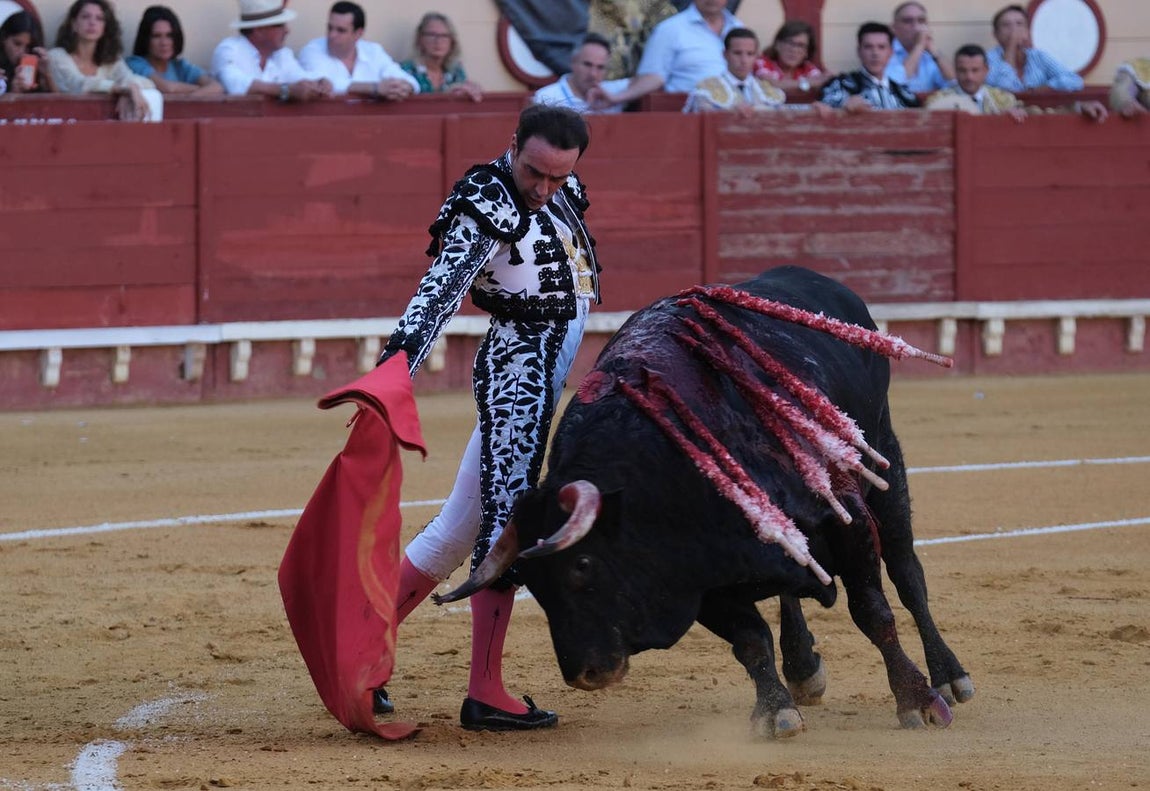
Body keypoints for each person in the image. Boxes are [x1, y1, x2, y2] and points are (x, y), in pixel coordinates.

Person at [374, 104, 598, 731]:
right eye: (535, 173)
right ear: (514, 146)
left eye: (559, 177)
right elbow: (439, 290)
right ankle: (485, 690)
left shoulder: (565, 188)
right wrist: (395, 368)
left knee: (457, 526)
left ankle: (358, 650)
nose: (545, 189)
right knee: (507, 526)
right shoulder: (486, 198)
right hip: (519, 373)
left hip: (547, 373)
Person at [588, 0, 743, 110]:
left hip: (741, 115)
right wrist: (617, 98)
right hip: (686, 117)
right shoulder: (670, 29)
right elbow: (653, 77)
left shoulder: (738, 27)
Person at [926, 44, 1106, 122]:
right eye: (963, 71)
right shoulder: (940, 99)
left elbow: (1038, 113)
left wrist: (1077, 107)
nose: (969, 77)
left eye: (975, 71)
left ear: (986, 71)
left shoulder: (1002, 99)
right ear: (955, 72)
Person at [43, 0, 154, 121]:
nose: (92, 23)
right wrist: (121, 89)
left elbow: (141, 82)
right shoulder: (57, 56)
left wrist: (130, 89)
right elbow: (78, 84)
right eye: (85, 17)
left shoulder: (111, 60)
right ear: (74, 24)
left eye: (99, 18)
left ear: (105, 27)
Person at [211, 0, 332, 101]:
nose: (287, 31)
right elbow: (234, 83)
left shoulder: (282, 54)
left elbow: (299, 77)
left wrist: (319, 82)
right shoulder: (229, 50)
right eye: (280, 25)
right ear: (259, 30)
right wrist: (285, 90)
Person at [298, 1, 418, 100]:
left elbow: (409, 80)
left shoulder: (373, 51)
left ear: (358, 34)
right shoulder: (312, 50)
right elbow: (322, 85)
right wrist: (374, 88)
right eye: (330, 28)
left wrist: (404, 87)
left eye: (341, 30)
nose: (331, 35)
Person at [817, 22, 920, 113]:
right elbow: (825, 105)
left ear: (891, 52)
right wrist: (844, 105)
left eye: (881, 47)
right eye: (868, 47)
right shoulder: (843, 84)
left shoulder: (903, 92)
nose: (875, 53)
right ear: (859, 51)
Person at [685, 27, 785, 115]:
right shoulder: (706, 89)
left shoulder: (769, 90)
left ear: (756, 56)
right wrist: (729, 113)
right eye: (737, 53)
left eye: (750, 54)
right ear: (725, 54)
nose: (744, 60)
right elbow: (705, 117)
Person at [985, 4, 1083, 92]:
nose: (1014, 30)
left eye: (1019, 24)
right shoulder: (987, 59)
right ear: (995, 34)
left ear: (1027, 32)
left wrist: (1043, 89)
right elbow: (1004, 90)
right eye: (1006, 25)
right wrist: (1011, 48)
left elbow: (1074, 80)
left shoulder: (1038, 56)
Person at [127, 6, 222, 96]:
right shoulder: (135, 63)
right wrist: (202, 90)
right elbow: (168, 88)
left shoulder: (180, 66)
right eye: (156, 36)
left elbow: (217, 87)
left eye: (169, 36)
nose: (164, 43)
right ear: (146, 39)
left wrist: (189, 98)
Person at [533, 32, 629, 114]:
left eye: (600, 67)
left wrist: (615, 98)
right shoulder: (547, 97)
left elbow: (644, 82)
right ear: (573, 62)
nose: (593, 74)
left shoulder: (613, 91)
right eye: (587, 65)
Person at [399, 12, 482, 102]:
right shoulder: (405, 71)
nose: (438, 41)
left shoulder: (455, 71)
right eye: (432, 35)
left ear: (452, 42)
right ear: (420, 39)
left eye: (444, 36)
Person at [884, 1, 953, 93]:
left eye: (921, 21)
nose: (916, 26)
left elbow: (954, 82)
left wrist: (933, 50)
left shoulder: (930, 53)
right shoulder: (884, 50)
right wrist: (919, 45)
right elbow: (896, 83)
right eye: (908, 21)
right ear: (894, 27)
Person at [753, 20, 826, 94]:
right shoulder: (762, 62)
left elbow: (823, 84)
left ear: (806, 52)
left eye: (801, 45)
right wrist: (806, 83)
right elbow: (775, 85)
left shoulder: (807, 68)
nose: (794, 50)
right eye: (789, 43)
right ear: (777, 45)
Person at [0, 10, 54, 93]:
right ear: (4, 38)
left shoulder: (35, 65)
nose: (22, 52)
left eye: (28, 47)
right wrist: (12, 92)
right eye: (17, 44)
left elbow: (56, 103)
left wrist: (46, 75)